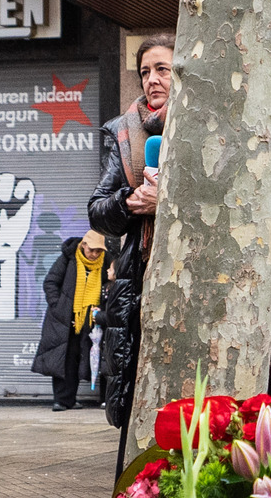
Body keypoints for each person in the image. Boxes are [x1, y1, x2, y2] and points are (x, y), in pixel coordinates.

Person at [89, 33, 173, 426]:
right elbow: (98, 210)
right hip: (140, 279)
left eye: (162, 69)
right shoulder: (124, 132)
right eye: (145, 72)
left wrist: (170, 205)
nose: (151, 79)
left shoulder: (211, 125)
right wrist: (129, 202)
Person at [32, 227, 109, 409]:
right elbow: (50, 282)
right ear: (83, 245)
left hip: (92, 320)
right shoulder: (69, 258)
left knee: (83, 357)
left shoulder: (106, 262)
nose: (94, 254)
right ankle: (62, 400)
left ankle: (76, 398)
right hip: (65, 319)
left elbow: (109, 285)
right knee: (63, 357)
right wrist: (59, 306)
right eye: (91, 250)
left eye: (98, 251)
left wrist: (103, 308)